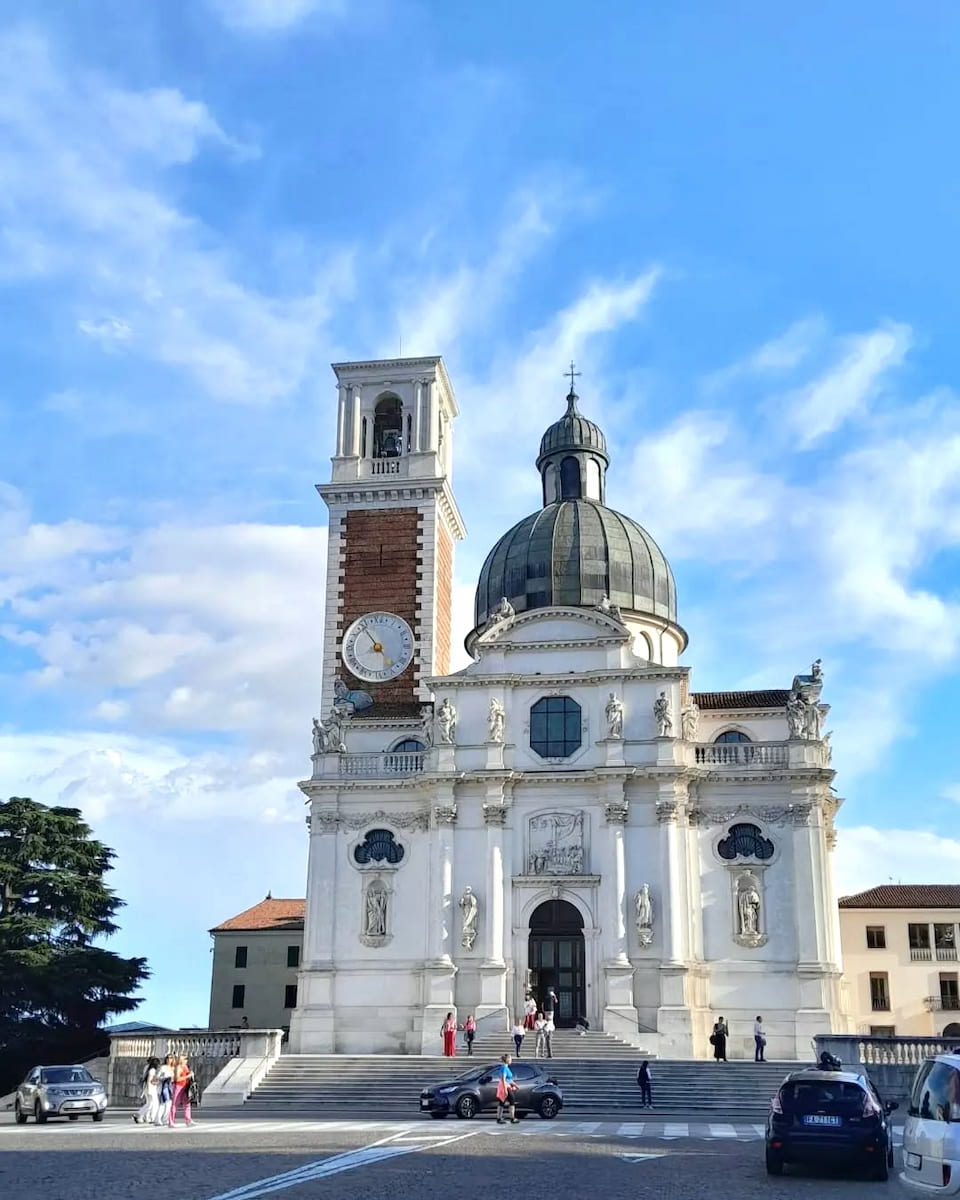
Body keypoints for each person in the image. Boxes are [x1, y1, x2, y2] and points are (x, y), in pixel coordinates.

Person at [168, 1053, 195, 1126]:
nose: (187, 1060)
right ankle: (171, 1121)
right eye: (185, 1059)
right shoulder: (178, 1067)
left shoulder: (186, 1067)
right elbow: (177, 1079)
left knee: (187, 1103)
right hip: (178, 1086)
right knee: (174, 1104)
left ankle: (188, 1120)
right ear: (181, 1060)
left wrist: (190, 1076)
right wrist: (188, 1076)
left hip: (185, 1086)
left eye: (187, 1059)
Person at [134, 1056, 160, 1124]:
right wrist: (156, 1083)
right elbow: (149, 1080)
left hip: (147, 1088)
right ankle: (142, 1115)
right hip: (151, 1088)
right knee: (153, 1104)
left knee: (150, 1103)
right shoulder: (152, 1070)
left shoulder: (148, 1068)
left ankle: (143, 1116)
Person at [494, 1053, 519, 1125]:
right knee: (512, 1100)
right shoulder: (504, 1068)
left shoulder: (506, 1067)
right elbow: (503, 1079)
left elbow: (509, 1079)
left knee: (502, 1102)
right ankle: (512, 1118)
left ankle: (499, 1118)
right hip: (505, 1086)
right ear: (507, 1060)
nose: (511, 1060)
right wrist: (505, 1089)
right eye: (510, 1059)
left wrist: (515, 1085)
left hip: (507, 1085)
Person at [154, 1053, 176, 1126]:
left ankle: (165, 1119)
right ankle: (158, 1119)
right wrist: (164, 1078)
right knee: (163, 1104)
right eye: (168, 1058)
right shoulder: (163, 1067)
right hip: (163, 1087)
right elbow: (157, 1077)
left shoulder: (173, 1068)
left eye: (171, 1058)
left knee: (169, 1104)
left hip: (171, 1087)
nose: (169, 1059)